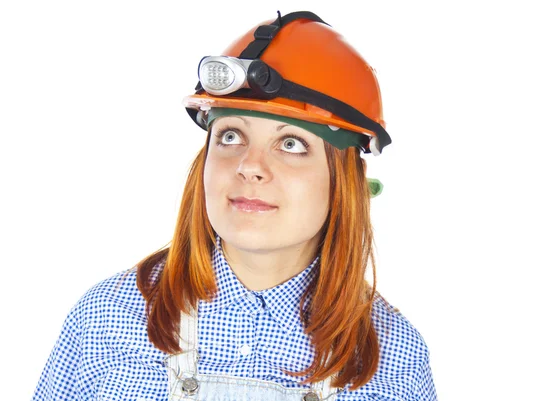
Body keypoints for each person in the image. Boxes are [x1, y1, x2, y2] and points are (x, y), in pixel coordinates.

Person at [32, 10, 437, 401]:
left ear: (345, 183)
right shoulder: (108, 317)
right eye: (230, 136)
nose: (250, 166)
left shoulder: (391, 355)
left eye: (292, 143)